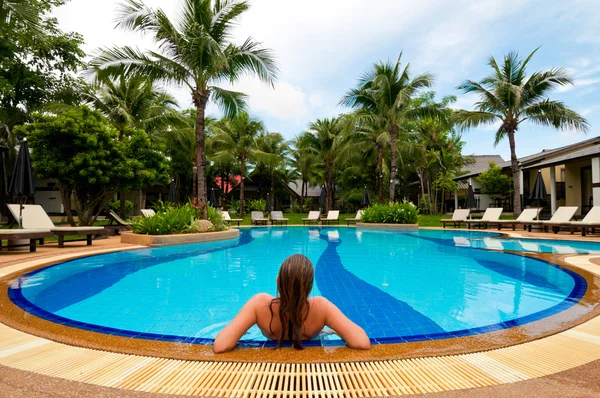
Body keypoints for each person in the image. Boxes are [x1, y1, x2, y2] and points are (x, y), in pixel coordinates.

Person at [213, 254, 371, 353]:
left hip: (271, 364)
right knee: (328, 331)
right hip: (310, 365)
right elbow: (362, 342)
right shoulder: (321, 307)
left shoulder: (259, 304)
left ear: (278, 281)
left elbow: (220, 345)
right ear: (309, 287)